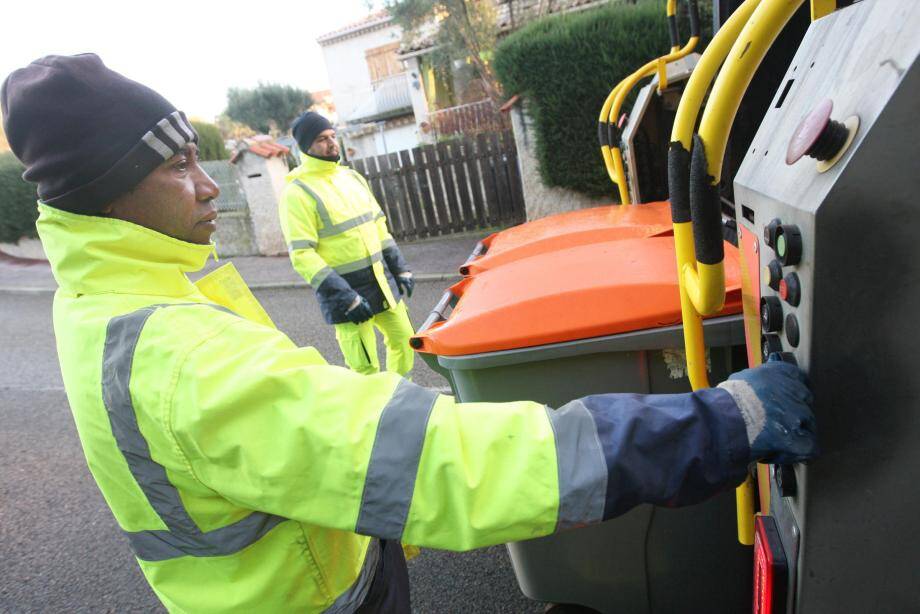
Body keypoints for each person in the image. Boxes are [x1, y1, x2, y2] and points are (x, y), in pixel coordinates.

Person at [2, 54, 818, 613]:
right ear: (107, 193)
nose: (210, 184)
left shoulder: (111, 291)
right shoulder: (175, 357)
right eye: (176, 166)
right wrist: (721, 423)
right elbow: (443, 467)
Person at [279, 111, 415, 377]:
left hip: (381, 281)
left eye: (332, 136)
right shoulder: (297, 193)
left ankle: (400, 397)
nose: (331, 143)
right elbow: (302, 255)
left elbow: (378, 224)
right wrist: (346, 297)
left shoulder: (351, 178)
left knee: (405, 341)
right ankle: (373, 415)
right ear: (306, 147)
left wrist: (400, 268)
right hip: (346, 292)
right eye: (321, 139)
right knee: (365, 367)